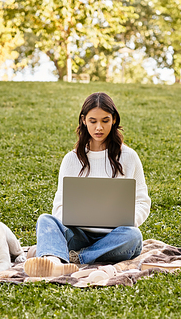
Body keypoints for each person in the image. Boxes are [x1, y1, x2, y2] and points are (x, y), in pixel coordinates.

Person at [24, 92, 151, 277]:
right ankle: (52, 262)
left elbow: (142, 202)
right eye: (93, 121)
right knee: (46, 219)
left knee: (133, 237)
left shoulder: (129, 157)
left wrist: (131, 220)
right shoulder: (71, 159)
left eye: (105, 120)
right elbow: (58, 205)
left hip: (115, 237)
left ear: (114, 120)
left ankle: (71, 257)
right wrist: (69, 218)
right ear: (83, 120)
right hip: (78, 235)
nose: (99, 127)